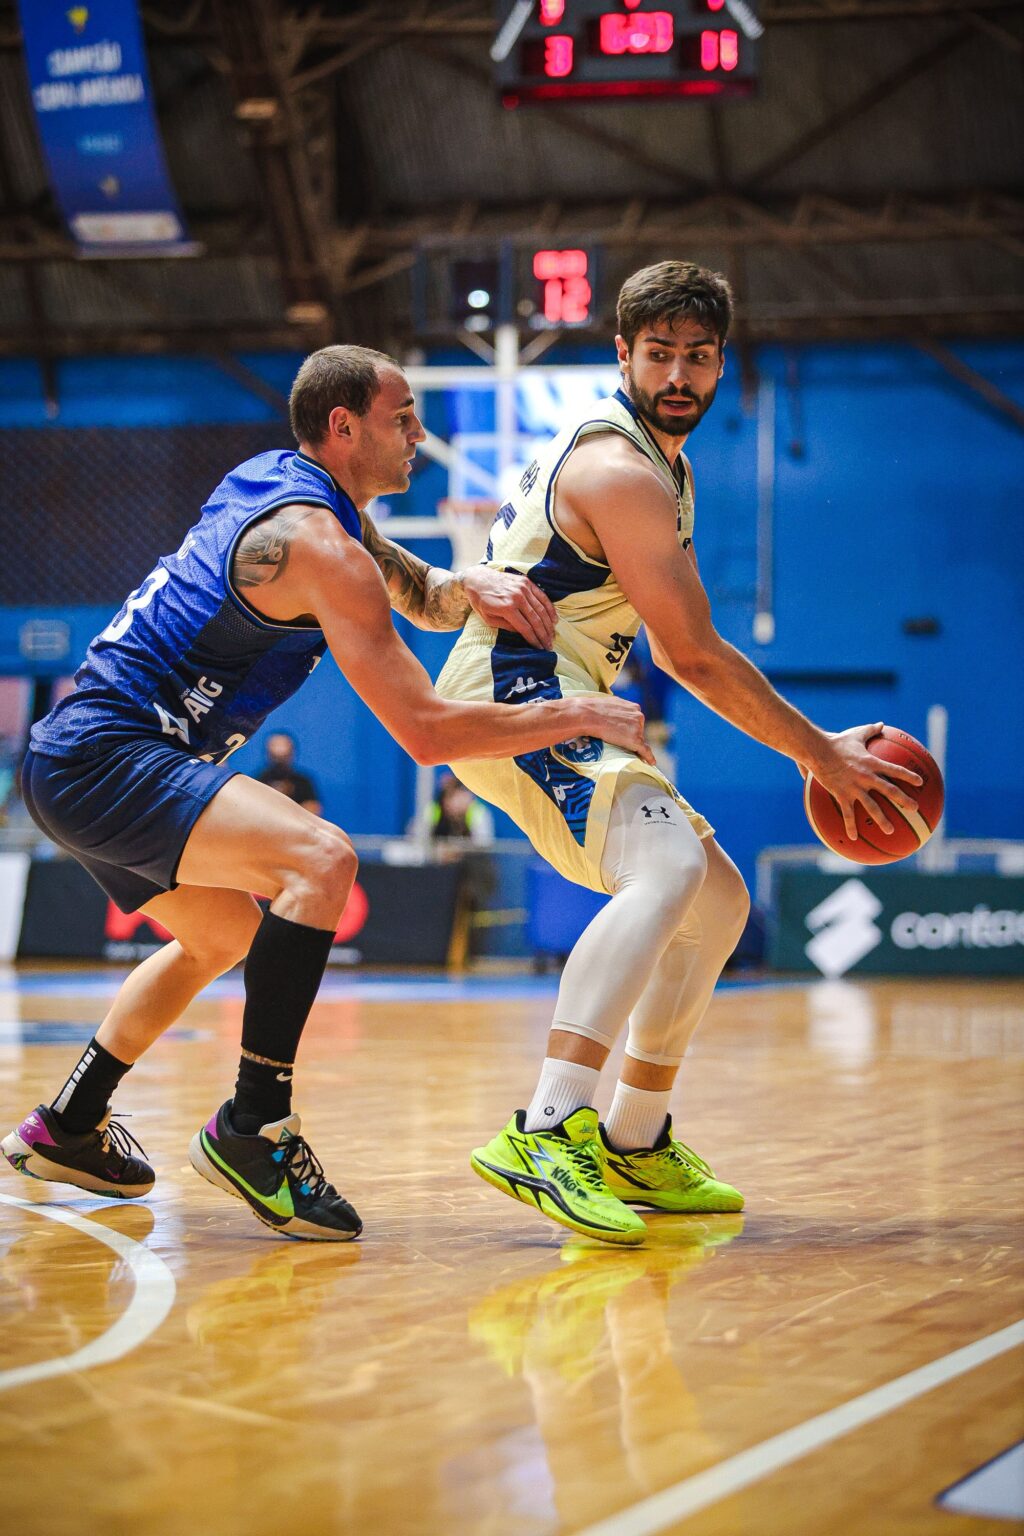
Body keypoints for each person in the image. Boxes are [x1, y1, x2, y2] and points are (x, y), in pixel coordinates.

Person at [1, 344, 650, 1242]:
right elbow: (424, 733)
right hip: (112, 756)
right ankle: (254, 1128)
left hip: (73, 761)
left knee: (223, 932)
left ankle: (69, 1124)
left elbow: (413, 590)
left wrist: (476, 589)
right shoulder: (322, 551)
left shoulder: (286, 489)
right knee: (322, 857)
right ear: (344, 426)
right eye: (403, 419)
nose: (418, 435)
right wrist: (575, 714)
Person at [435, 261, 923, 1246]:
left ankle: (634, 1137)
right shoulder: (619, 469)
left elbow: (674, 645)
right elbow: (690, 654)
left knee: (717, 901)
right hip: (514, 693)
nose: (679, 375)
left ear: (719, 366)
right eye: (658, 354)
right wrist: (815, 752)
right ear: (622, 354)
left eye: (697, 358)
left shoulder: (667, 468)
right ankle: (545, 1125)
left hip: (570, 698)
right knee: (661, 867)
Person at [256, 731, 322, 815]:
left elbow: (313, 809)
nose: (280, 751)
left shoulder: (302, 782)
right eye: (275, 757)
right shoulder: (258, 781)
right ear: (267, 753)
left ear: (292, 753)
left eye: (284, 756)